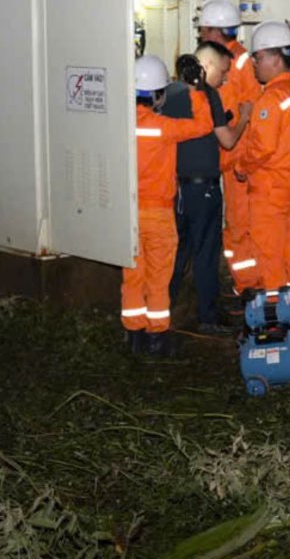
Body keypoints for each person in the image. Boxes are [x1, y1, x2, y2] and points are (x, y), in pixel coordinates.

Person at [227, 20, 290, 317]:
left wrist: (241, 166)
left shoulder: (272, 98)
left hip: (270, 190)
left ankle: (275, 319)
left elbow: (262, 147)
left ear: (277, 58)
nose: (255, 63)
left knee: (269, 254)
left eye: (259, 57)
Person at [124, 54, 214, 356]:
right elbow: (204, 125)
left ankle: (133, 337)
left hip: (128, 213)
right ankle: (157, 339)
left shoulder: (118, 128)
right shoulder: (164, 127)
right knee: (159, 278)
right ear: (158, 95)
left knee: (133, 276)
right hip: (159, 214)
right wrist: (196, 88)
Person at [164, 42, 252, 333]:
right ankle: (208, 318)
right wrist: (245, 118)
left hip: (177, 190)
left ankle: (161, 309)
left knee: (179, 251)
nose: (225, 79)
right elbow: (226, 140)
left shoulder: (169, 94)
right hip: (204, 190)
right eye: (223, 72)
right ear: (209, 66)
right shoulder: (207, 95)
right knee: (205, 253)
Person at [197, 0, 263, 283]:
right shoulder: (232, 60)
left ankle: (249, 287)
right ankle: (244, 284)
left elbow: (248, 113)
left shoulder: (238, 63)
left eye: (203, 29)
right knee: (235, 225)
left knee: (240, 226)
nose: (200, 34)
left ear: (215, 31)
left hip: (237, 159)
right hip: (226, 159)